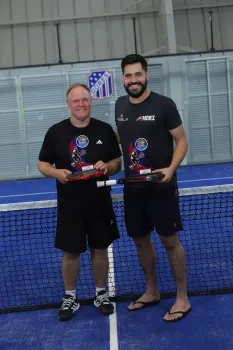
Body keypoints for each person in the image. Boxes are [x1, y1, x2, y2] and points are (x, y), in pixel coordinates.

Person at [115, 54, 191, 322]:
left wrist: (170, 170)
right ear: (122, 78)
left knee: (170, 241)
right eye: (128, 75)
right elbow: (122, 135)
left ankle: (182, 297)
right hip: (133, 190)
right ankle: (152, 291)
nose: (133, 80)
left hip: (161, 187)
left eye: (138, 74)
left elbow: (181, 141)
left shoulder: (164, 105)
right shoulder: (120, 105)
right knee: (140, 240)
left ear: (146, 75)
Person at [38, 83, 122, 321]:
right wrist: (57, 173)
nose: (81, 104)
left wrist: (108, 166)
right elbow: (42, 164)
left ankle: (100, 293)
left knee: (100, 249)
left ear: (90, 102)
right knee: (70, 253)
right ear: (68, 104)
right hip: (70, 205)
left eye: (85, 100)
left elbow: (117, 162)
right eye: (76, 101)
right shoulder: (55, 132)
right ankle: (70, 297)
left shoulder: (105, 130)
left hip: (99, 204)